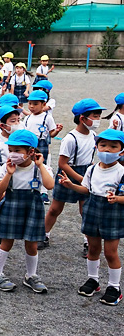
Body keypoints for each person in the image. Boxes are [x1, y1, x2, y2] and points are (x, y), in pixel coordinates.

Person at [59, 128, 124, 305]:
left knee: (111, 253)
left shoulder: (121, 171)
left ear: (121, 151)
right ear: (96, 147)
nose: (107, 150)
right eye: (103, 145)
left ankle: (114, 287)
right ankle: (93, 280)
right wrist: (70, 185)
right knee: (93, 249)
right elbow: (86, 190)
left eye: (113, 146)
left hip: (113, 213)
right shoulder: (92, 169)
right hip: (92, 209)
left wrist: (117, 198)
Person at [0, 130, 55, 293]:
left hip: (32, 207)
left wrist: (40, 166)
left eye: (18, 150)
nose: (13, 154)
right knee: (6, 242)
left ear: (31, 152)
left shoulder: (40, 168)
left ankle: (31, 275)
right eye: (11, 150)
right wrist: (9, 175)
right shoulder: (7, 167)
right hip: (11, 205)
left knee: (31, 244)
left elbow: (50, 185)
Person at [42, 98, 103, 255]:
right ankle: (43, 235)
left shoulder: (94, 135)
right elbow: (63, 163)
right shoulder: (70, 138)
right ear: (82, 118)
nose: (98, 120)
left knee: (86, 210)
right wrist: (80, 178)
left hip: (86, 173)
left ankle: (87, 242)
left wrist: (88, 176)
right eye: (95, 116)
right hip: (67, 174)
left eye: (98, 116)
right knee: (55, 209)